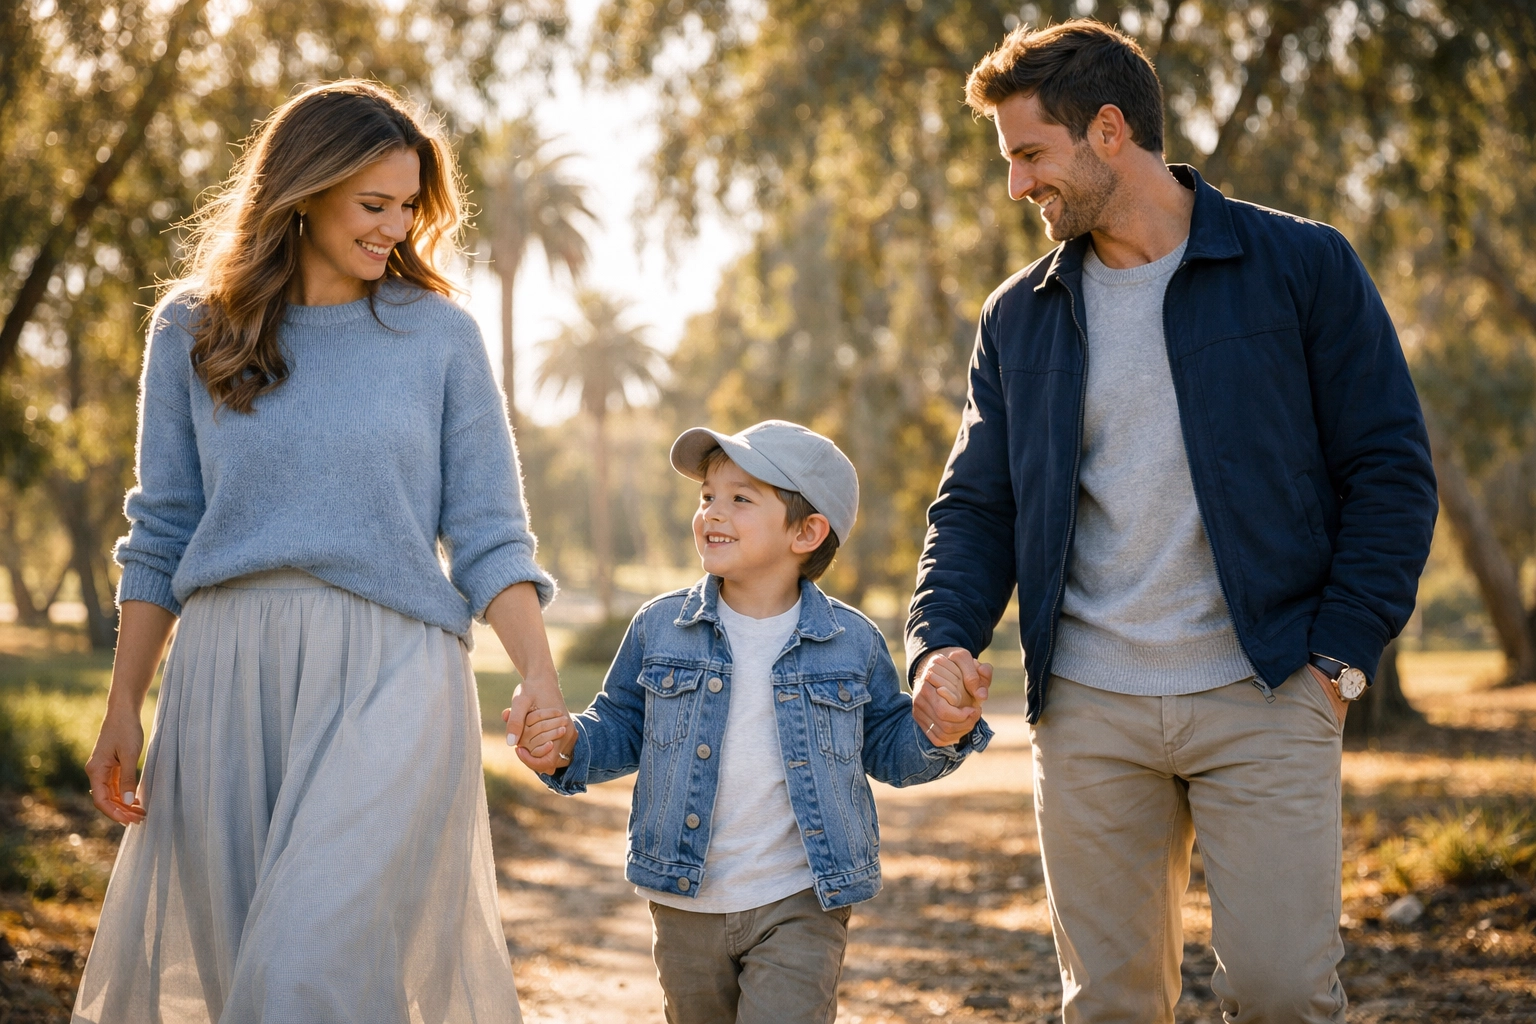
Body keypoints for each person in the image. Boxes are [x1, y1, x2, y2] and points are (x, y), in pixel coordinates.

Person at [905, 19, 1438, 1024]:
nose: (1017, 184)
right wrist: (939, 641)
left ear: (1109, 131)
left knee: (1284, 993)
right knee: (1111, 1006)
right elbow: (976, 506)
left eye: (1031, 154)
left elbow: (1389, 472)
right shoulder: (1018, 315)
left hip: (1268, 687)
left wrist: (1338, 661)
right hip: (1089, 708)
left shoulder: (1302, 266)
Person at [75, 81, 563, 1022]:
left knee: (307, 971)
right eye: (373, 204)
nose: (396, 229)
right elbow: (163, 531)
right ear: (303, 192)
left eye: (409, 206)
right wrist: (124, 705)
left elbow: (491, 531)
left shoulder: (439, 335)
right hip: (225, 677)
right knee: (242, 978)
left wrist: (537, 673)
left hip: (392, 672)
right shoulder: (191, 329)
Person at [513, 420, 992, 1024]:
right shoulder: (661, 628)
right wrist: (568, 744)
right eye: (707, 496)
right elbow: (620, 725)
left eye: (741, 498)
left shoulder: (851, 642)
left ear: (806, 531)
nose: (712, 512)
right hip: (685, 901)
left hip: (802, 899)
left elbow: (889, 747)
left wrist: (940, 732)